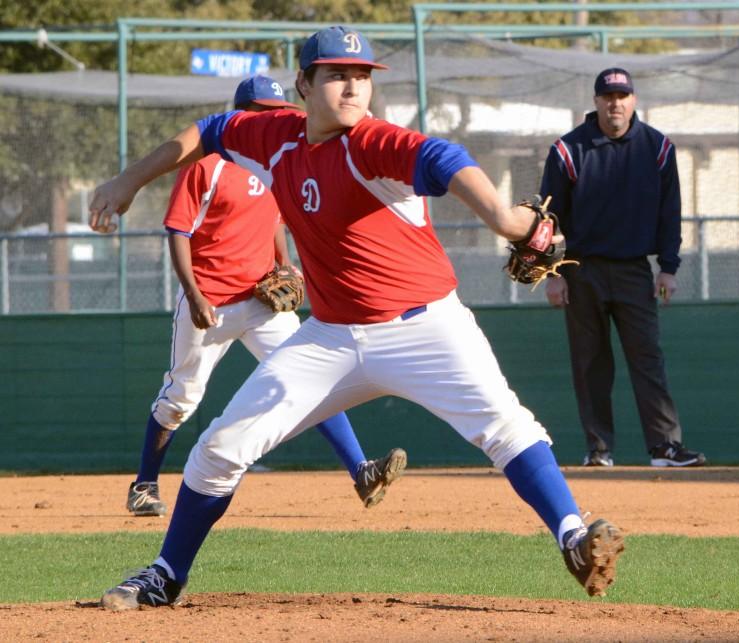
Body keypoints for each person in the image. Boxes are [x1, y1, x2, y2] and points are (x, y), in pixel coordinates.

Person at [89, 26, 624, 610]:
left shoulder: (372, 143)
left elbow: (443, 158)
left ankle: (573, 537)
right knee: (219, 448)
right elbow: (208, 132)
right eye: (338, 74)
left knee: (506, 426)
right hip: (332, 337)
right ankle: (166, 573)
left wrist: (502, 216)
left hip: (426, 329)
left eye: (363, 75)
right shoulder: (275, 136)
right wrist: (127, 181)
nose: (353, 87)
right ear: (303, 83)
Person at [126, 74, 406, 518]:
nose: (272, 121)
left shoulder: (276, 161)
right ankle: (144, 485)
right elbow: (178, 232)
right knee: (181, 397)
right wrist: (194, 295)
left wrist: (284, 261)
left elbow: (276, 216)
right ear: (239, 116)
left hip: (262, 300)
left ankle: (361, 471)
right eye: (262, 113)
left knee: (309, 379)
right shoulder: (206, 164)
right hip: (211, 301)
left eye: (277, 113)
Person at [539, 67, 706, 469]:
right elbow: (547, 218)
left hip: (634, 268)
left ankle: (665, 447)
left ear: (634, 100)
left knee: (647, 358)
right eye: (608, 97)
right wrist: (553, 272)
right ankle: (599, 450)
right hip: (581, 271)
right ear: (595, 102)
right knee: (591, 362)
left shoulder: (657, 148)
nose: (615, 103)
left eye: (623, 96)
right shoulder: (568, 150)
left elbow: (671, 213)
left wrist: (668, 268)